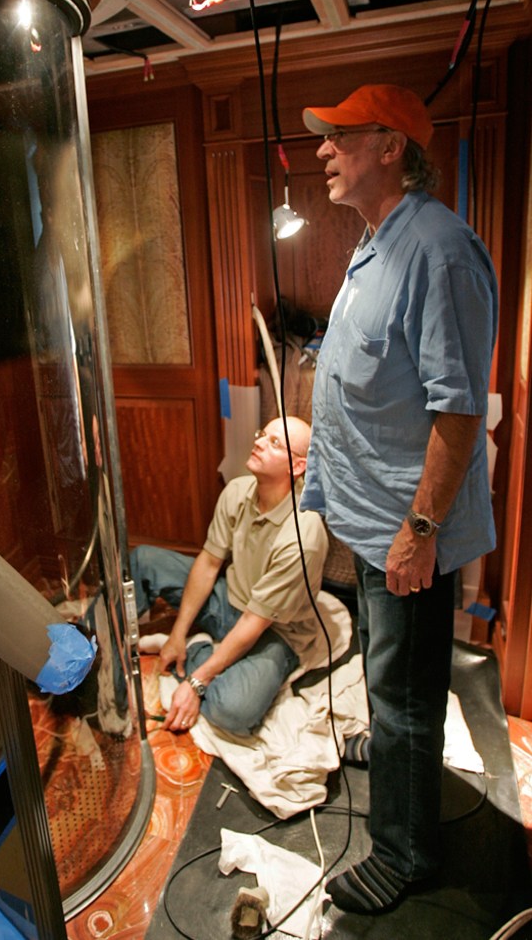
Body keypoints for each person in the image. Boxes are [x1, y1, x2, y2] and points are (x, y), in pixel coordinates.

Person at [299, 84, 498, 914]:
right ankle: (393, 754)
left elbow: (459, 410)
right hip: (373, 516)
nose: (323, 149)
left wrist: (420, 529)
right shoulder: (376, 241)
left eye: (340, 135)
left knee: (407, 693)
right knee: (389, 673)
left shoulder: (440, 252)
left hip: (405, 529)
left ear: (391, 148)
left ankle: (405, 852)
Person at [130, 416, 328, 736]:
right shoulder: (238, 490)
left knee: (233, 711)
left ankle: (198, 648)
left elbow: (255, 620)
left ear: (297, 467)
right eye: (262, 434)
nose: (258, 442)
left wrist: (197, 682)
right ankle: (107, 646)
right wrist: (178, 632)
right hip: (230, 600)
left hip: (276, 631)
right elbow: (209, 563)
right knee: (143, 560)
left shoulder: (303, 535)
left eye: (274, 443)